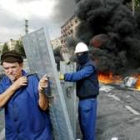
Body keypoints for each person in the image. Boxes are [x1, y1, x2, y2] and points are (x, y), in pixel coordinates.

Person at [0, 50, 52, 140]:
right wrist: (14, 87)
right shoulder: (3, 83)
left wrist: (41, 91)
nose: (10, 71)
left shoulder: (33, 80)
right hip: (14, 135)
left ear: (21, 65)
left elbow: (44, 107)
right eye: (6, 68)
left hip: (36, 135)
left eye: (13, 67)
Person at [59, 42, 99, 140]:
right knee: (83, 126)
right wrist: (67, 62)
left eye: (80, 54)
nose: (78, 56)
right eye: (77, 54)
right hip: (82, 100)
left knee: (88, 128)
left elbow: (79, 75)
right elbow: (75, 71)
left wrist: (63, 76)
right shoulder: (82, 65)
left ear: (85, 53)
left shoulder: (90, 66)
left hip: (89, 100)